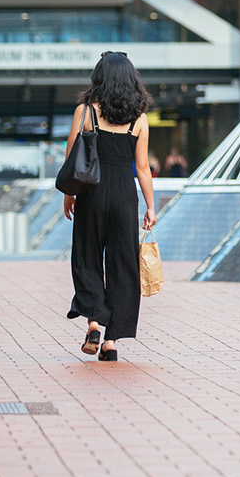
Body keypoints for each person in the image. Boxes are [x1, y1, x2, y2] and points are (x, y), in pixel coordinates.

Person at [63, 51, 155, 363]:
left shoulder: (85, 111)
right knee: (123, 266)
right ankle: (112, 341)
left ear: (99, 77)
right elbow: (142, 168)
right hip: (125, 197)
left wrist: (69, 195)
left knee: (87, 257)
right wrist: (151, 208)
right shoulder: (139, 119)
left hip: (91, 192)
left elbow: (72, 158)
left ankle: (92, 324)